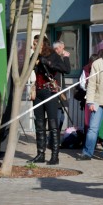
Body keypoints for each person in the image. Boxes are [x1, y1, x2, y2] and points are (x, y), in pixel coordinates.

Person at [29, 35, 70, 165]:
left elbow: (65, 69)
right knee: (39, 124)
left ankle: (55, 156)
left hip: (49, 91)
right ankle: (40, 154)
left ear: (43, 44)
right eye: (33, 44)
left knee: (53, 124)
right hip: (38, 91)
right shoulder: (34, 56)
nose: (33, 47)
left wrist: (46, 62)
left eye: (36, 44)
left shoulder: (52, 55)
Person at [77, 41, 103, 161]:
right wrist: (90, 101)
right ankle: (87, 152)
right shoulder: (97, 63)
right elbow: (92, 84)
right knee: (93, 128)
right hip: (98, 100)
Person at [52, 40, 71, 133]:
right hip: (55, 89)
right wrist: (66, 58)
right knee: (58, 115)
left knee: (61, 116)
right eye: (61, 48)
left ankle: (55, 136)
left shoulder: (57, 58)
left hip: (60, 89)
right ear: (58, 48)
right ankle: (54, 137)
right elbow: (67, 70)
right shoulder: (55, 58)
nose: (63, 50)